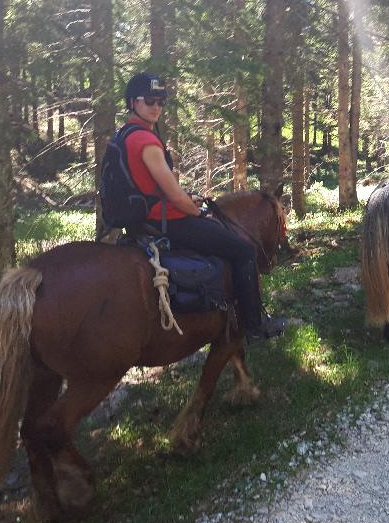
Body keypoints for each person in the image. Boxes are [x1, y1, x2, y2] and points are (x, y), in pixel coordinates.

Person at [118, 72, 283, 342]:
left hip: (143, 218)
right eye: (149, 100)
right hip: (168, 222)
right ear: (133, 103)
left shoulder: (124, 135)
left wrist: (184, 199)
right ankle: (253, 326)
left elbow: (153, 186)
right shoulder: (146, 141)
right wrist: (193, 208)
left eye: (161, 101)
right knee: (242, 251)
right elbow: (173, 193)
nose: (156, 106)